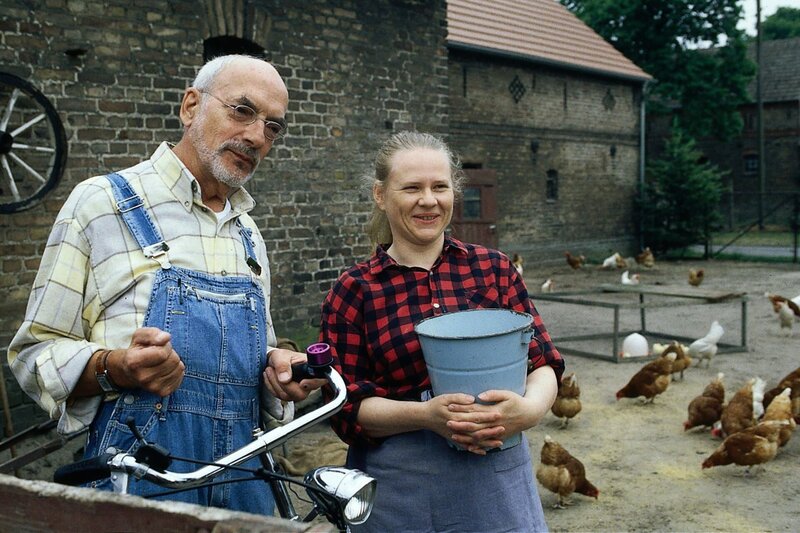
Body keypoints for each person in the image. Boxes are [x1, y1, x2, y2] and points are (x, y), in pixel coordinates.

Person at [8, 54, 324, 515]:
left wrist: (277, 369)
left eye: (273, 127)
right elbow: (33, 353)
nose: (257, 136)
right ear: (191, 106)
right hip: (138, 479)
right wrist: (114, 367)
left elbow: (258, 355)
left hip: (245, 478)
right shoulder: (101, 205)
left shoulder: (247, 233)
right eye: (242, 110)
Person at [319, 131, 565, 532]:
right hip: (400, 488)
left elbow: (544, 361)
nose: (428, 200)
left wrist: (529, 410)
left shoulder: (494, 269)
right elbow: (345, 406)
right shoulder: (354, 291)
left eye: (440, 187)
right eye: (412, 188)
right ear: (381, 195)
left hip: (497, 476)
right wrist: (426, 415)